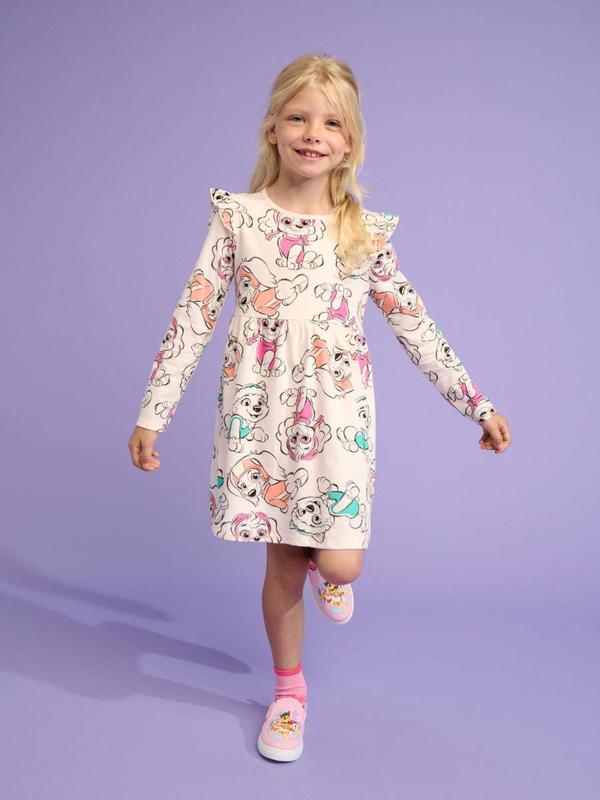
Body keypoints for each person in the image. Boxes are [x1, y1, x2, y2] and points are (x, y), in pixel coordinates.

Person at [128, 53, 512, 763]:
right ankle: (289, 695)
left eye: (332, 123)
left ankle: (322, 570)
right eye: (299, 117)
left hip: (338, 422)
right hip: (263, 420)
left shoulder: (363, 232)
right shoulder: (239, 219)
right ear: (272, 128)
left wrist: (475, 403)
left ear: (351, 142)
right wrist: (155, 412)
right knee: (281, 563)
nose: (313, 133)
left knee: (340, 566)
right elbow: (194, 314)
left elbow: (414, 322)